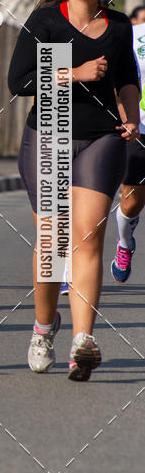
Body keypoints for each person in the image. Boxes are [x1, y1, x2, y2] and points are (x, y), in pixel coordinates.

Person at [8, 0, 140, 381]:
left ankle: (82, 340)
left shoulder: (119, 26)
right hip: (49, 133)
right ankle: (44, 327)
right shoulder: (46, 22)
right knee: (52, 243)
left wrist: (132, 117)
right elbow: (20, 81)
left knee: (86, 240)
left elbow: (126, 79)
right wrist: (74, 74)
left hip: (101, 138)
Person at [110, 15, 145, 281]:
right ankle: (124, 241)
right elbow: (119, 78)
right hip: (140, 129)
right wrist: (125, 115)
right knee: (132, 202)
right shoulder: (134, 35)